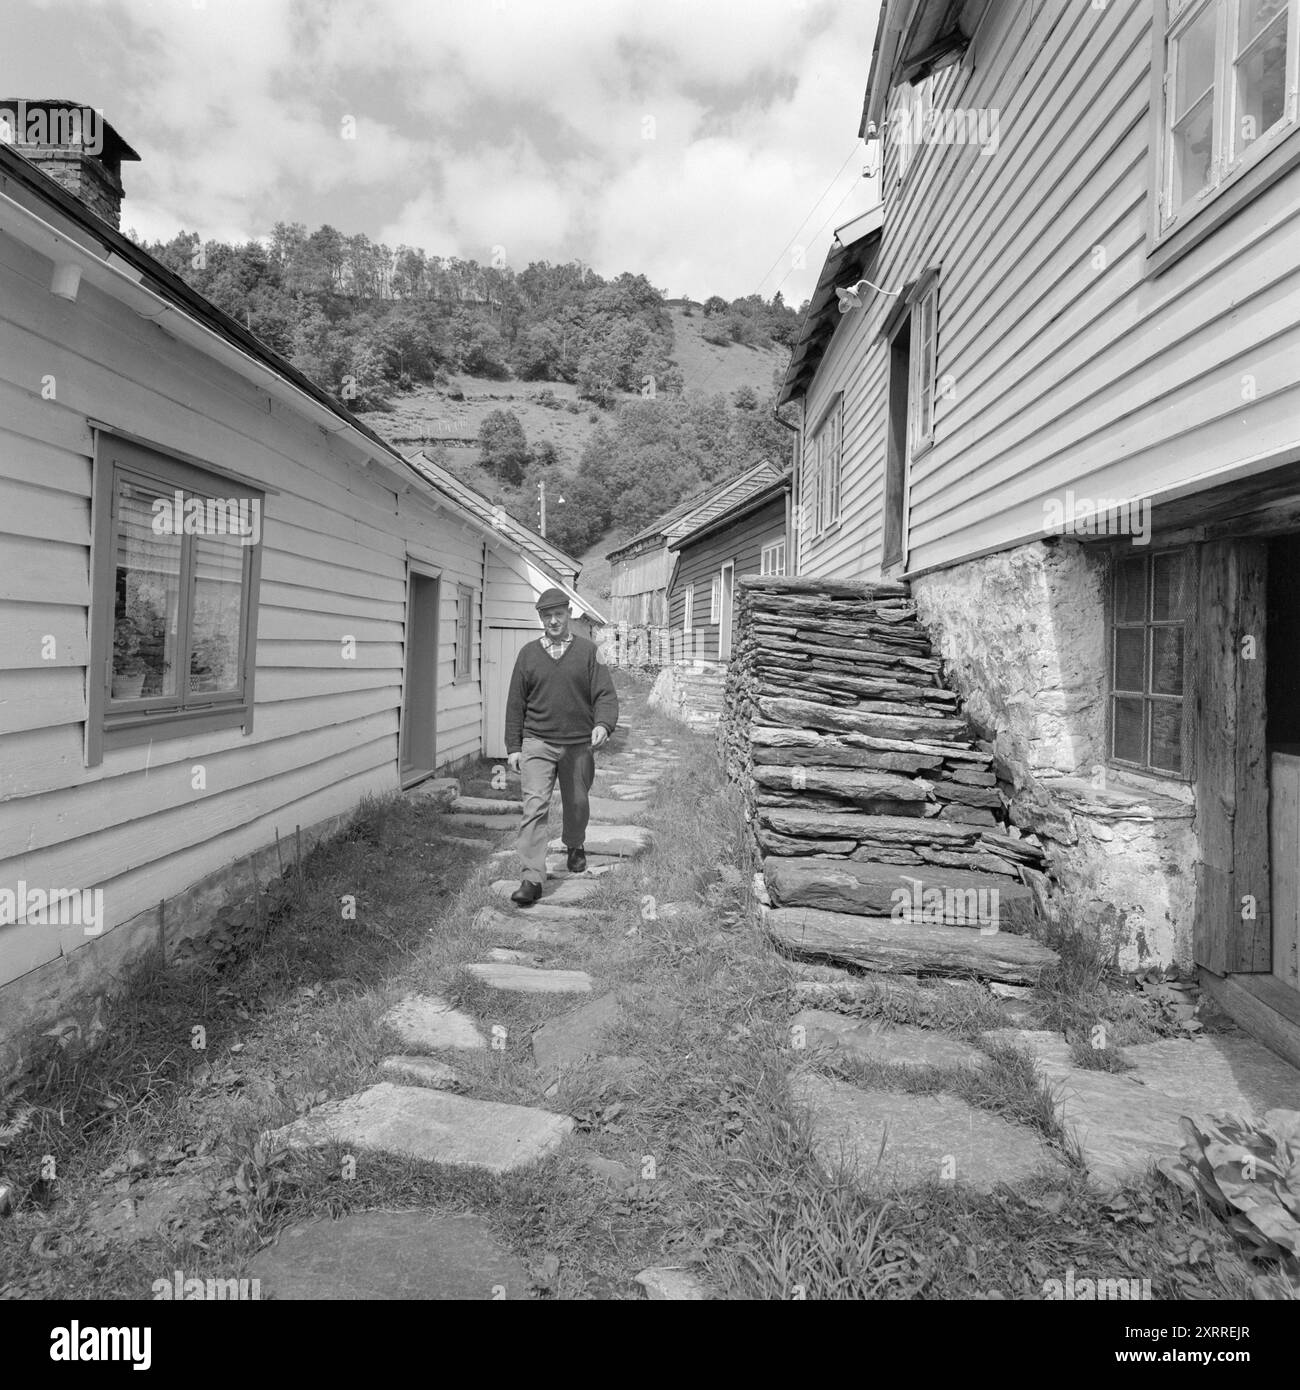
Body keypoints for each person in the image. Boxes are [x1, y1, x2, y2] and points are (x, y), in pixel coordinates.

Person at [504, 588, 619, 905]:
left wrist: (602, 724)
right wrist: (514, 746)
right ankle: (531, 877)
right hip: (537, 742)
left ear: (569, 613)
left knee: (578, 803)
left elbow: (605, 695)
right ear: (540, 618)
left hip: (578, 743)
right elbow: (516, 703)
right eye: (546, 615)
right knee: (534, 807)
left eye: (558, 614)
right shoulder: (527, 654)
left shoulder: (588, 652)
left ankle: (574, 843)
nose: (553, 621)